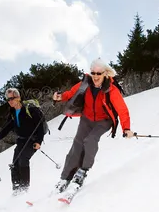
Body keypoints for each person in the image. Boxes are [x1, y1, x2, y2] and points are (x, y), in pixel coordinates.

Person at [53, 58, 135, 192]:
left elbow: (122, 110)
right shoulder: (84, 84)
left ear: (105, 74)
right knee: (77, 146)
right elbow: (70, 93)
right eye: (93, 73)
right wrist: (60, 97)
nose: (95, 76)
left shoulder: (111, 90)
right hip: (86, 118)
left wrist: (126, 128)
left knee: (90, 140)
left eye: (99, 73)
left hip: (103, 121)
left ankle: (82, 172)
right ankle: (65, 178)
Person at [0, 88, 45, 194]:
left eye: (12, 98)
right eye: (8, 99)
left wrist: (39, 141)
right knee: (14, 164)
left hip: (32, 140)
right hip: (21, 141)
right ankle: (16, 190)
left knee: (23, 159)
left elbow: (40, 125)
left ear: (18, 98)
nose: (10, 101)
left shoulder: (30, 109)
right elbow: (6, 128)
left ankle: (24, 189)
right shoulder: (13, 113)